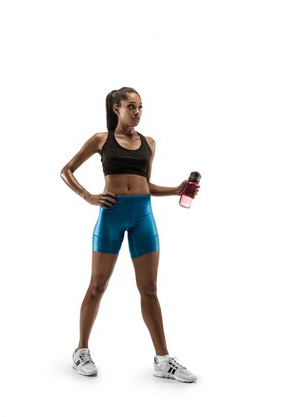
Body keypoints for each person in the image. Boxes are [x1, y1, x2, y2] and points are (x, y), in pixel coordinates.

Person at [60, 87, 199, 383]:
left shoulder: (149, 143)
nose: (137, 112)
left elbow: (146, 184)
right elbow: (66, 170)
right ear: (116, 108)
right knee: (98, 285)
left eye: (140, 107)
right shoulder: (102, 140)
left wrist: (176, 189)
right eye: (131, 106)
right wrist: (88, 196)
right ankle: (81, 350)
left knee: (149, 290)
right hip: (111, 215)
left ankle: (163, 360)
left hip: (143, 217)